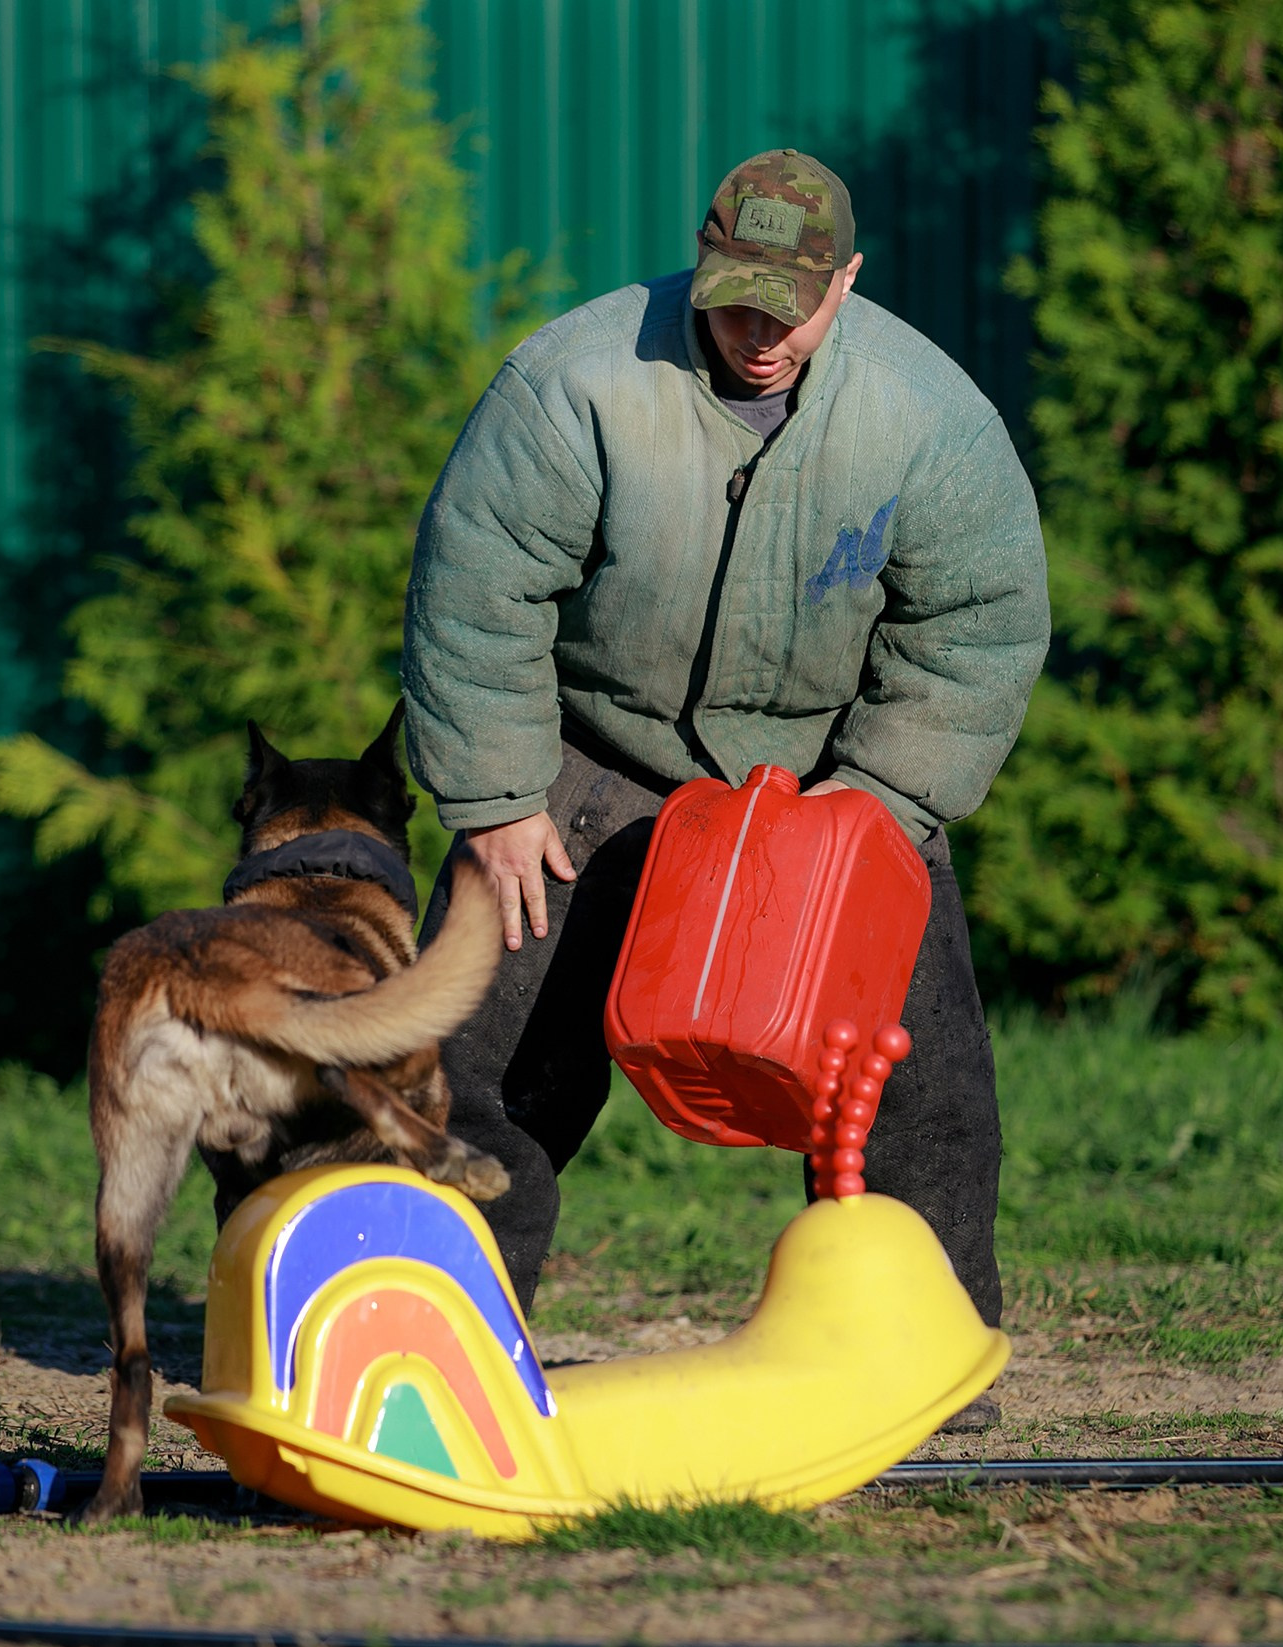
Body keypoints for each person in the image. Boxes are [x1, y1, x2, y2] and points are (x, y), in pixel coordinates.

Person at [401, 150, 1047, 1426]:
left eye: (790, 306)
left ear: (845, 284)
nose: (756, 333)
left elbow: (975, 628)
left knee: (917, 1083)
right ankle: (426, 1345)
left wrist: (881, 806)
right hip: (596, 754)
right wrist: (493, 801)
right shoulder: (575, 383)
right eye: (734, 297)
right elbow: (476, 594)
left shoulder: (929, 417)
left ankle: (927, 1366)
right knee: (473, 1065)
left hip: (829, 783)